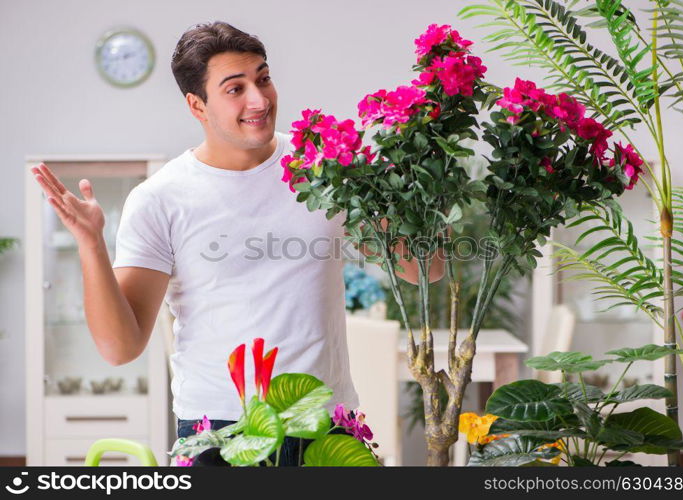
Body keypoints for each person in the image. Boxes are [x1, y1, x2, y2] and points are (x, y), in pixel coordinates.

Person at [31, 21, 443, 466]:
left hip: (325, 421)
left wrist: (409, 179)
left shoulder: (325, 167)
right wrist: (91, 244)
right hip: (220, 432)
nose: (259, 99)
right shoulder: (160, 199)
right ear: (197, 105)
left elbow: (426, 269)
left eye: (263, 78)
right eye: (235, 88)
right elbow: (120, 347)